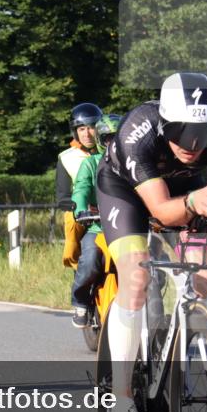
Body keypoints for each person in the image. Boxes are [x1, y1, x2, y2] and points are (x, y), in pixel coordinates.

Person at [96, 72, 207, 412]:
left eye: (201, 134)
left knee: (204, 278)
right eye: (180, 132)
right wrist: (195, 200)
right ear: (164, 123)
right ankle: (120, 396)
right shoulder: (137, 131)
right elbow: (161, 211)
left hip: (189, 191)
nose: (191, 145)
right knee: (135, 278)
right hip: (125, 191)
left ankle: (178, 359)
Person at [70, 114, 121, 328]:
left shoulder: (135, 164)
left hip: (132, 229)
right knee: (90, 260)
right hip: (99, 227)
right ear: (100, 140)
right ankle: (80, 301)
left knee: (157, 263)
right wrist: (81, 209)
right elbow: (81, 189)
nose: (112, 143)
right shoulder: (90, 164)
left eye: (116, 138)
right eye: (107, 139)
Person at [57, 103, 102, 309]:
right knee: (73, 225)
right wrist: (81, 208)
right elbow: (63, 196)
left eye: (91, 127)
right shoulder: (66, 158)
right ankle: (80, 290)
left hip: (113, 212)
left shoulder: (113, 151)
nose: (87, 133)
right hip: (84, 215)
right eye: (82, 129)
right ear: (75, 131)